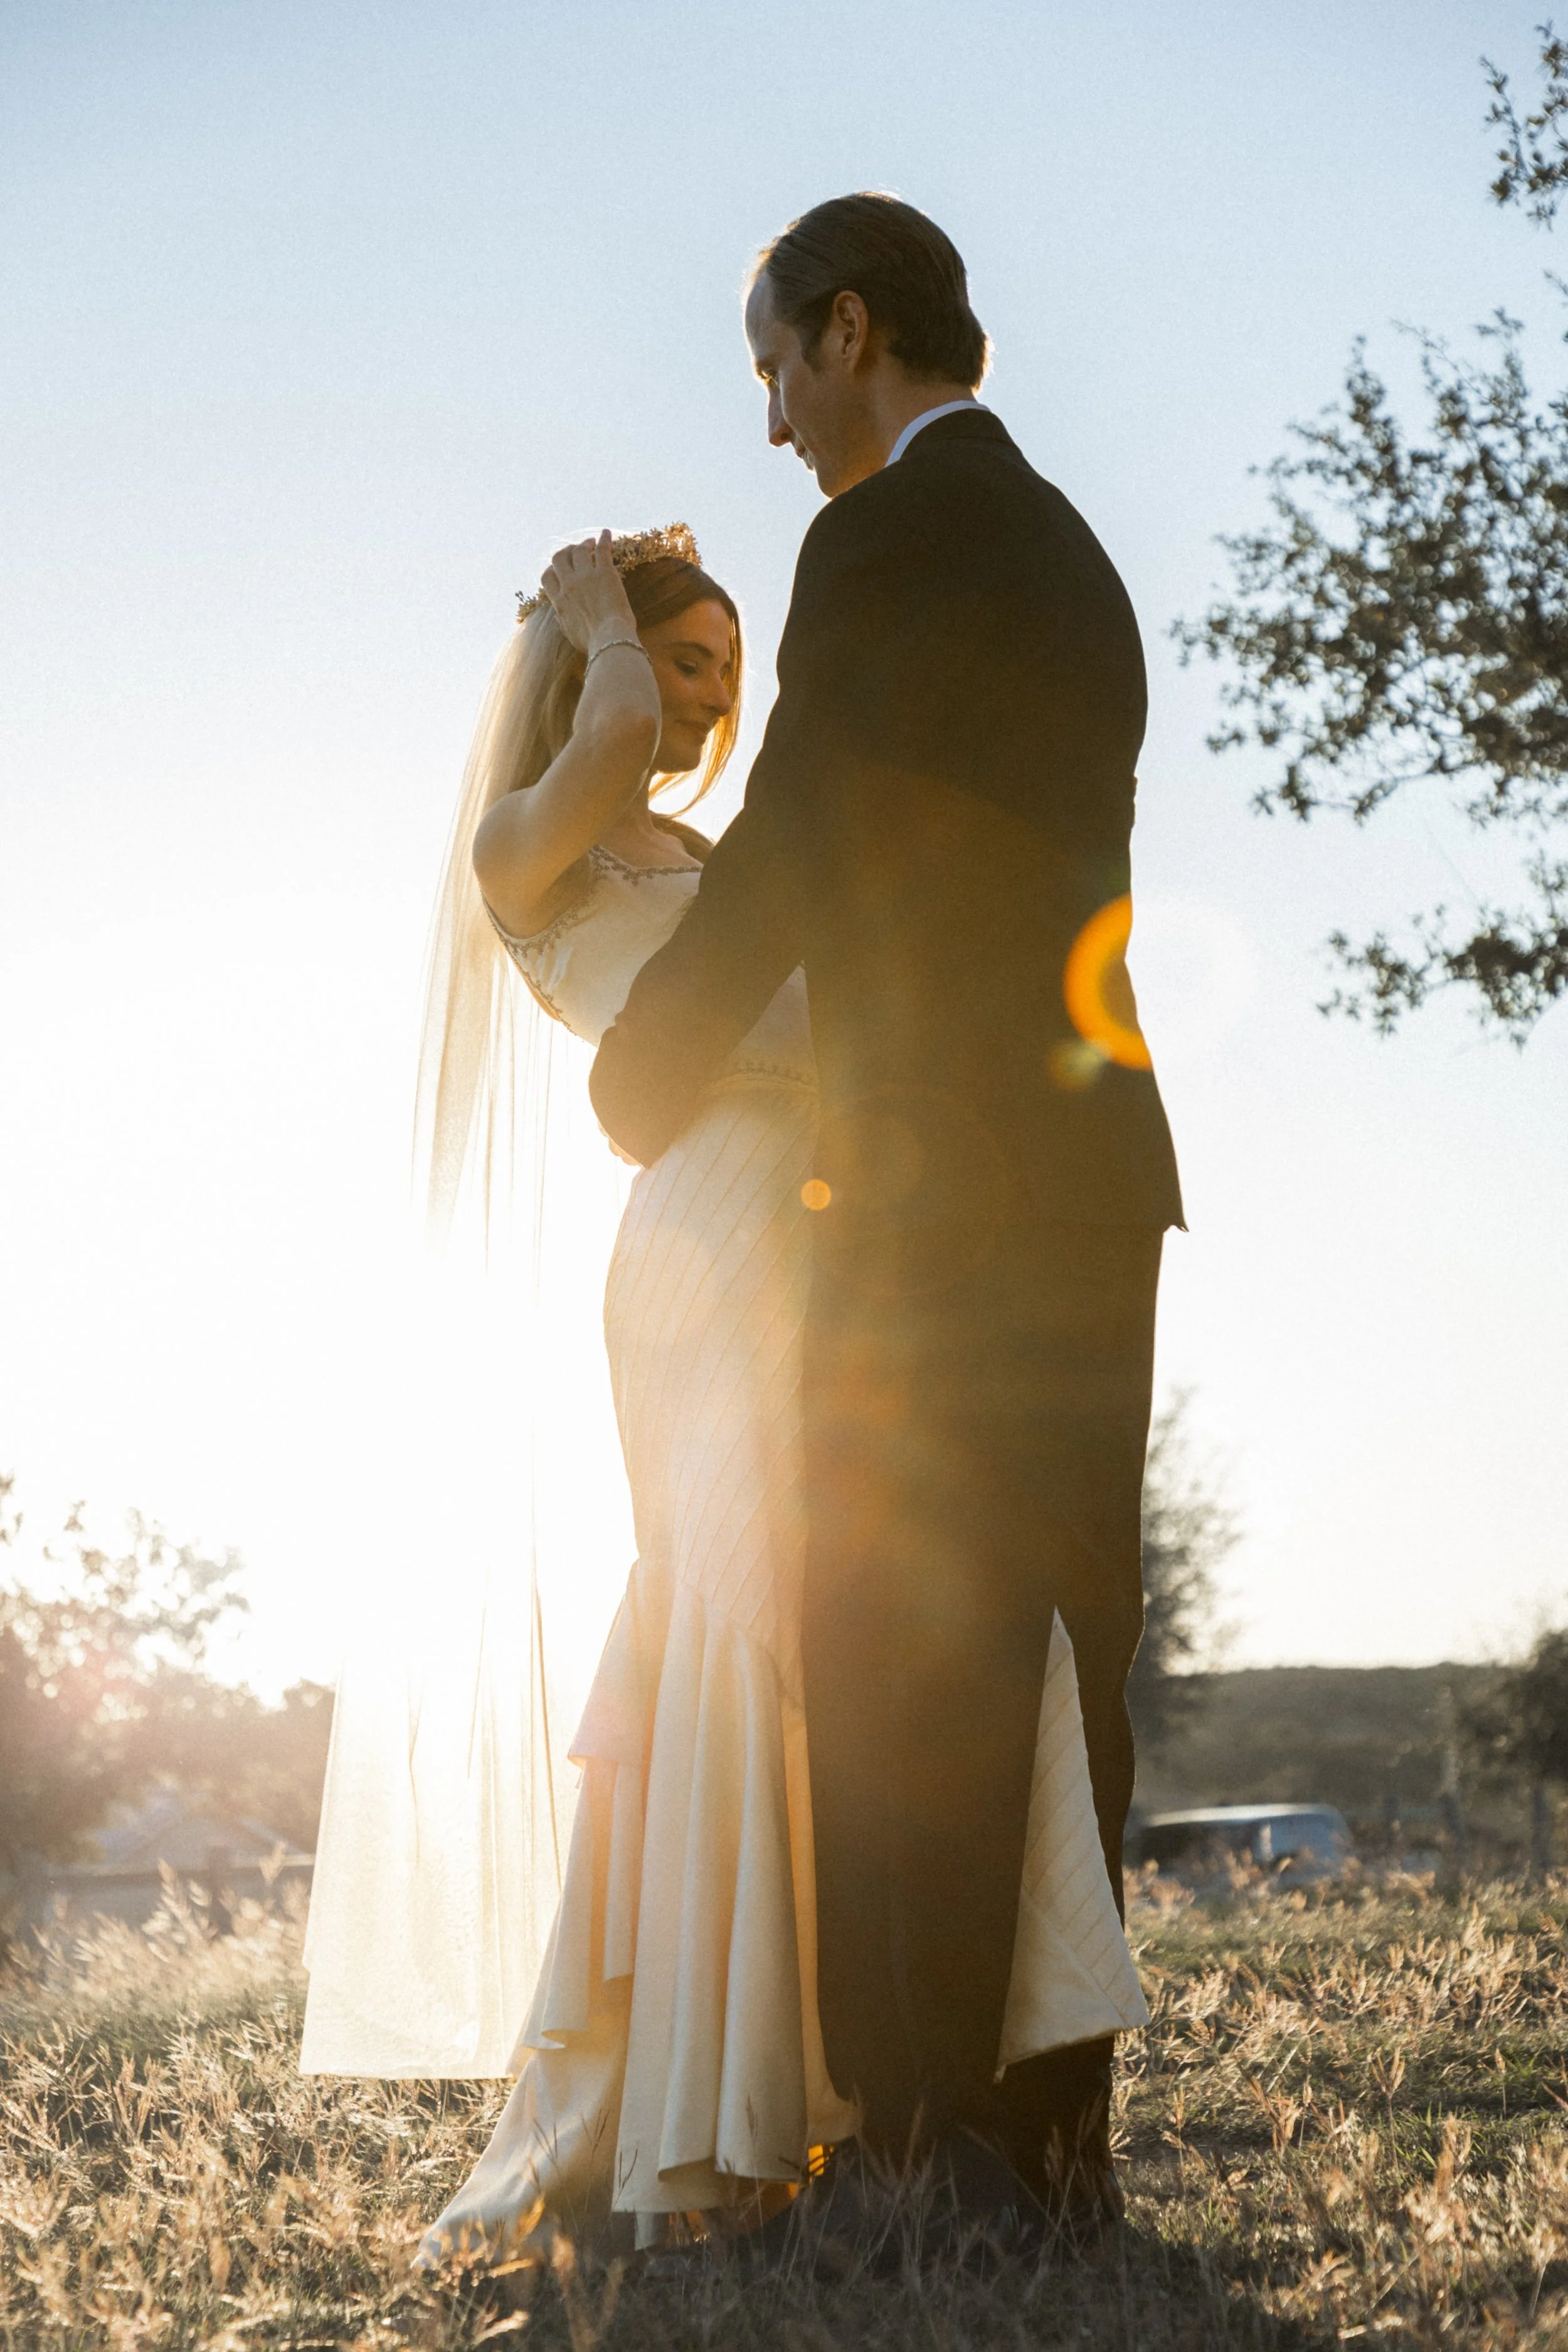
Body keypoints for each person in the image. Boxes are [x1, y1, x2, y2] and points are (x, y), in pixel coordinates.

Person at [396, 520, 1146, 2265]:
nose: (707, 696)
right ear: (587, 668)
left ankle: (839, 2072)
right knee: (743, 1612)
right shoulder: (534, 844)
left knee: (862, 1632)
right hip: (710, 1241)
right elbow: (591, 769)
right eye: (687, 657)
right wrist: (592, 626)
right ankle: (702, 2100)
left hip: (839, 1239)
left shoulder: (702, 848)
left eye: (727, 668)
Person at [589, 194, 1184, 2224]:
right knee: (1060, 1651)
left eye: (772, 368)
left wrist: (647, 1065)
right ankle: (1050, 2134)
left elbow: (800, 827)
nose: (768, 423)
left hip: (931, 1178)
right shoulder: (1067, 547)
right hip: (1090, 1166)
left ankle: (923, 2138)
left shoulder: (881, 536)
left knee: (884, 1640)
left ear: (852, 334)